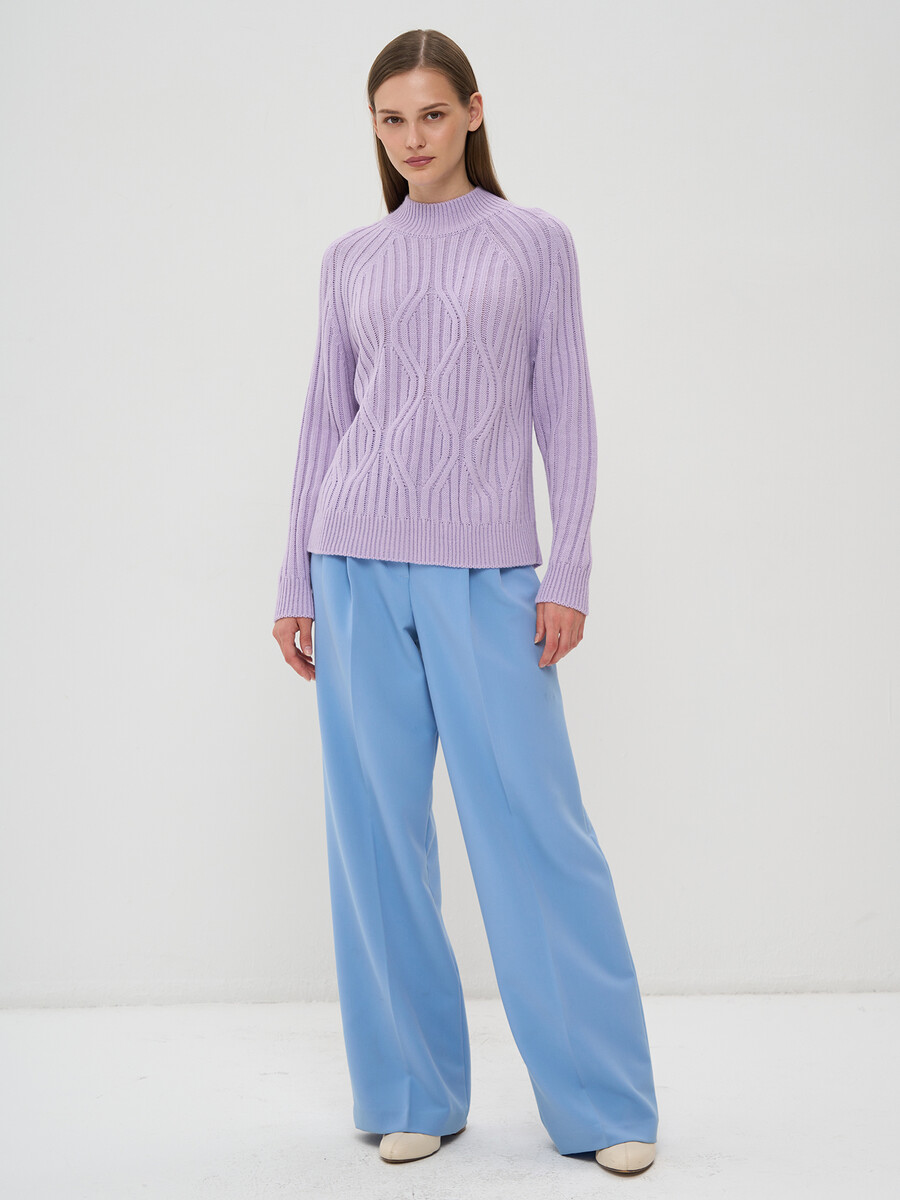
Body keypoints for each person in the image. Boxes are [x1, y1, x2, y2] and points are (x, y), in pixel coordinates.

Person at [271, 28, 660, 1177]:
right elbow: (324, 421)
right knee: (375, 837)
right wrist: (294, 578)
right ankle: (409, 1089)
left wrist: (569, 568)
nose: (414, 138)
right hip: (353, 566)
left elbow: (567, 409)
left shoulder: (534, 242)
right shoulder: (352, 258)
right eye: (392, 120)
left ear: (474, 113)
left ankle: (604, 1103)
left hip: (489, 575)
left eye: (432, 114)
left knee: (535, 832)